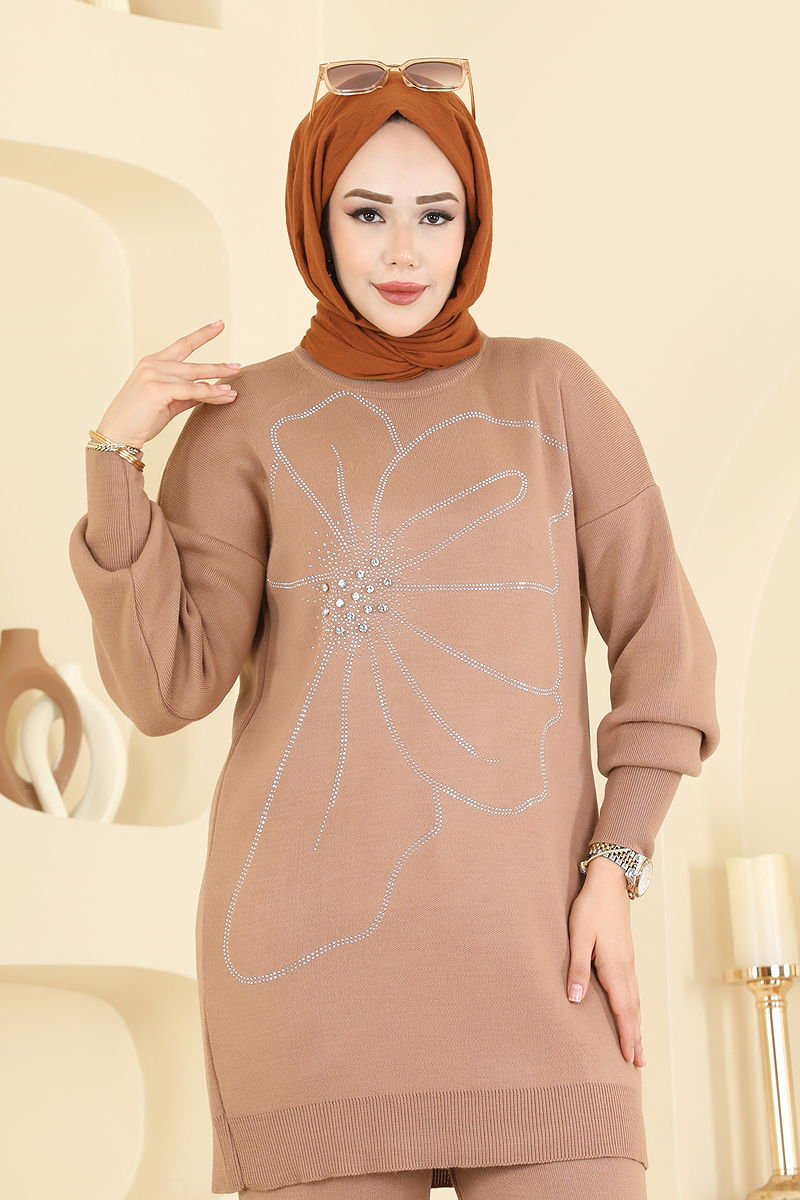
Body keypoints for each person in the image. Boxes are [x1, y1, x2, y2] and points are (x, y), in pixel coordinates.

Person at [69, 60, 720, 1200]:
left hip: (542, 964)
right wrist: (116, 458)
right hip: (307, 986)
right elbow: (168, 686)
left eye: (436, 214)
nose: (405, 252)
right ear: (316, 222)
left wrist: (615, 869)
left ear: (474, 224)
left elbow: (664, 653)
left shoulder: (550, 393)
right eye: (367, 214)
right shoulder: (247, 419)